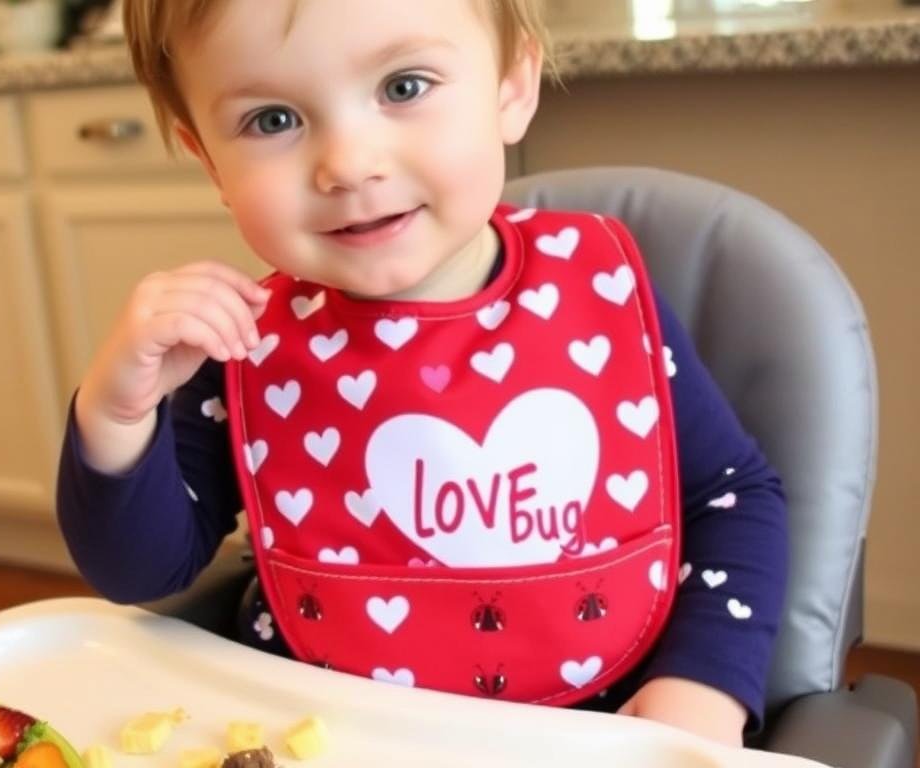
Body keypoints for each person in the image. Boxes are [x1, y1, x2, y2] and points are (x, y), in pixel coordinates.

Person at [57, 0, 787, 748]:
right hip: (322, 737)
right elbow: (141, 571)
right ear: (209, 159)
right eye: (273, 120)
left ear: (511, 87)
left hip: (584, 739)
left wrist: (705, 683)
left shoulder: (599, 293)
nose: (346, 164)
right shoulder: (247, 345)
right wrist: (116, 416)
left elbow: (732, 497)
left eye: (404, 87)